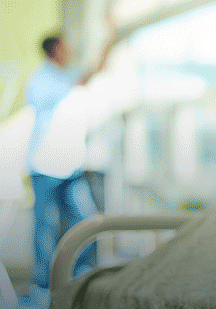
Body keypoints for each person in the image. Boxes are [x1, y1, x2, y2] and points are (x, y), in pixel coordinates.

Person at [19, 18, 119, 307]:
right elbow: (84, 77)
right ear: (54, 51)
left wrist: (110, 37)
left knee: (85, 221)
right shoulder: (42, 79)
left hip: (71, 168)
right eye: (66, 48)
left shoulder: (67, 76)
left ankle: (81, 278)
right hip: (44, 168)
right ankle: (44, 286)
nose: (71, 52)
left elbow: (94, 70)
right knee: (45, 229)